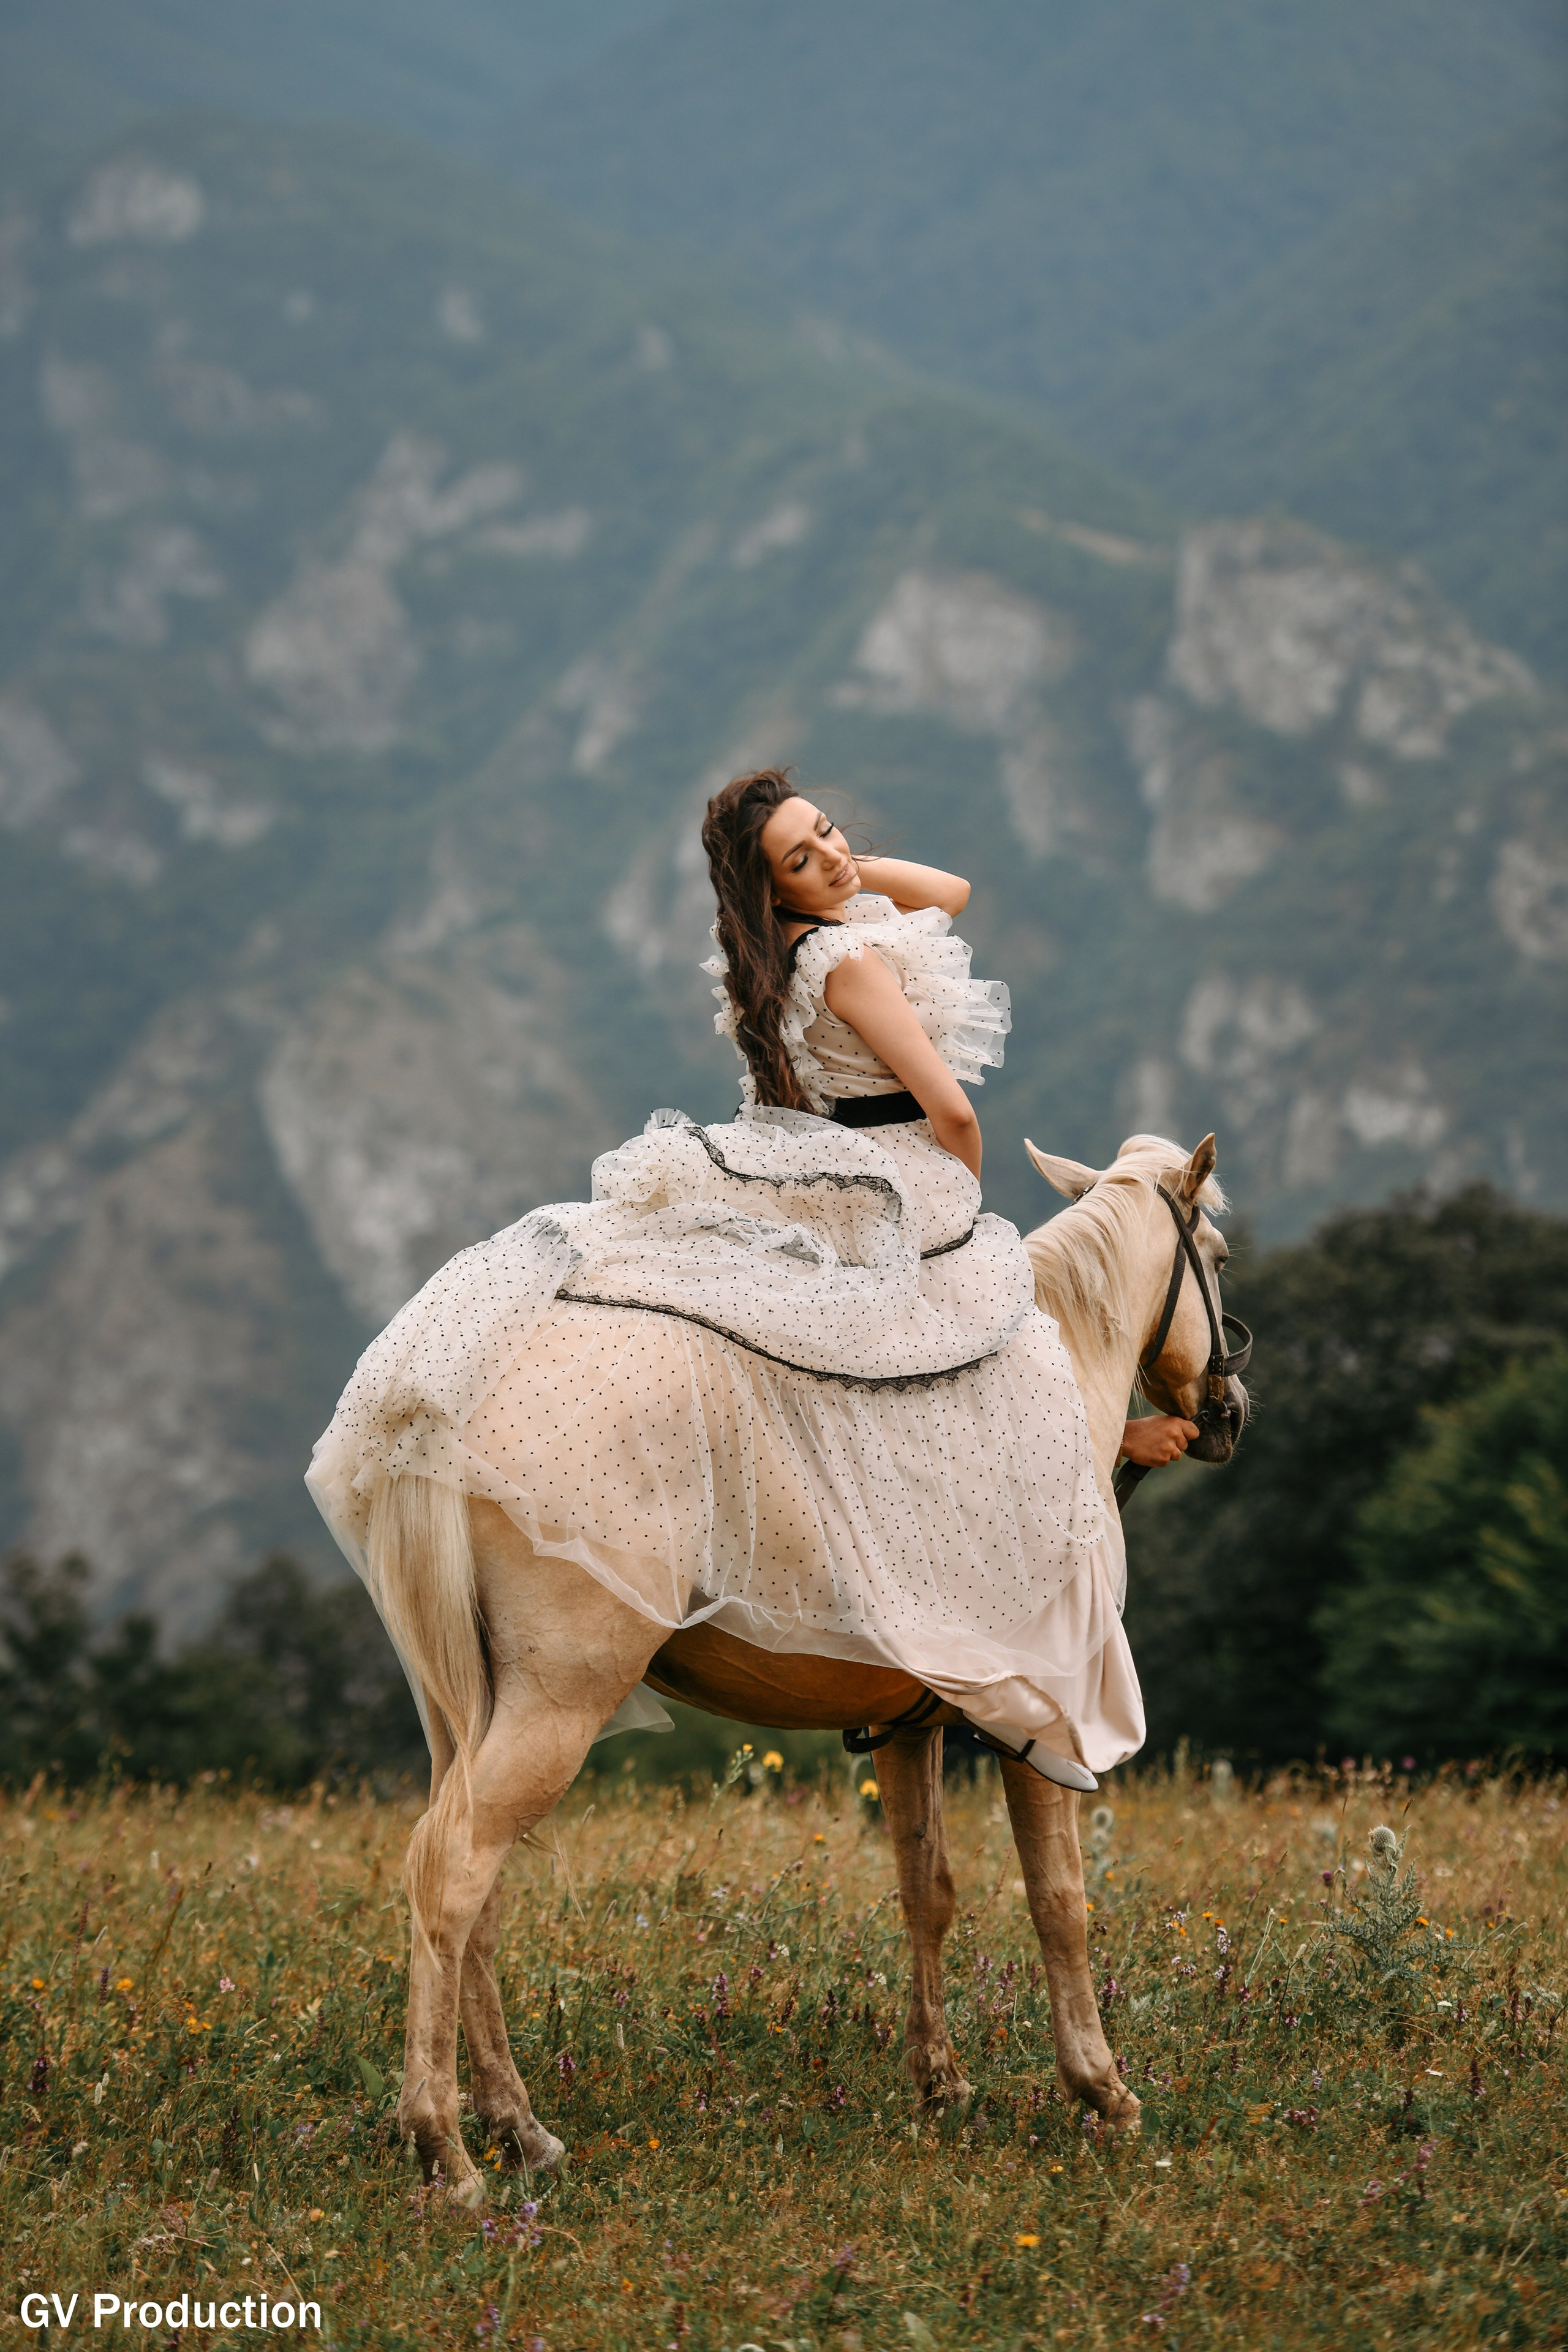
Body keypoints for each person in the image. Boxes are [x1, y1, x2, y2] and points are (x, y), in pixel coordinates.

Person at [307, 767, 1194, 1789]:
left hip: (821, 1167)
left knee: (872, 1350)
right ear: (770, 892)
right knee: (998, 1340)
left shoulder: (786, 954)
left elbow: (946, 891)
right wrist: (961, 1210)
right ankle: (983, 1603)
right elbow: (950, 1109)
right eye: (800, 861)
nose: (830, 859)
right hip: (902, 1174)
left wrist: (835, 867)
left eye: (826, 836)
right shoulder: (851, 962)